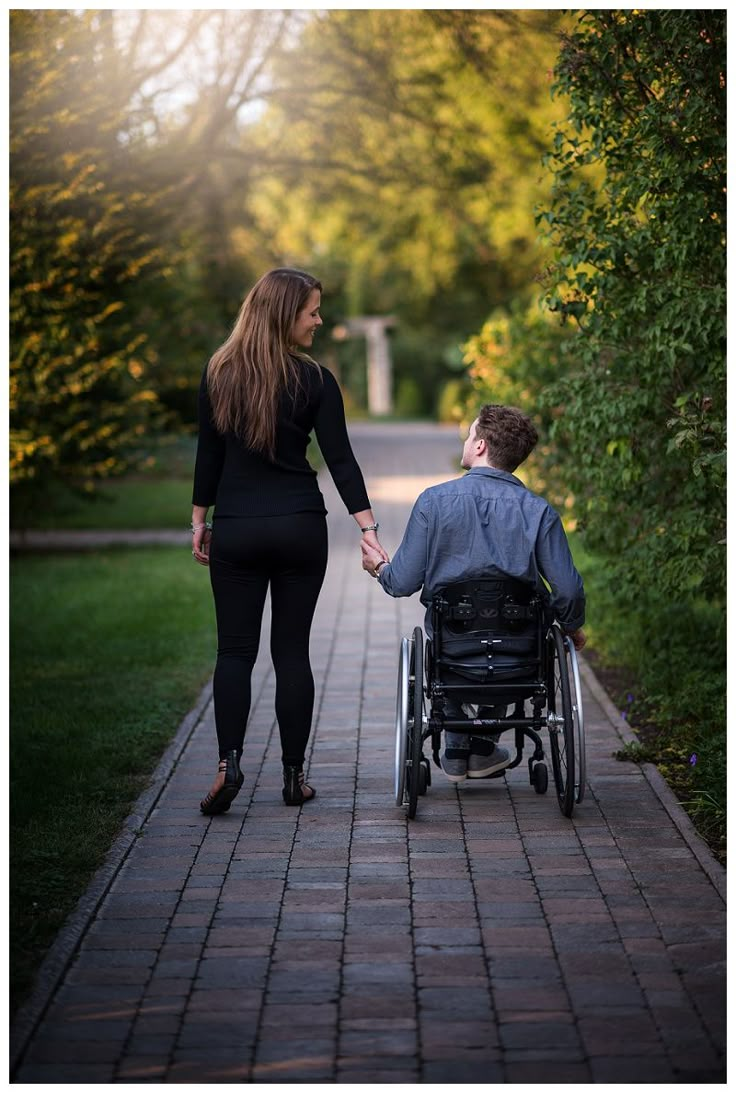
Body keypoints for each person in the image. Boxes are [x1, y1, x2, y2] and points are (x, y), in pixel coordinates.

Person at [191, 268, 387, 813]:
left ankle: (229, 764)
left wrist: (199, 521)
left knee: (234, 651)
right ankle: (294, 776)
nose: (319, 321)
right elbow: (341, 461)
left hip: (237, 529)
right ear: (284, 314)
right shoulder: (316, 380)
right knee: (292, 651)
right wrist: (368, 530)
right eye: (312, 312)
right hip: (300, 525)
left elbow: (208, 456)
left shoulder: (218, 373)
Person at [360, 404, 585, 784]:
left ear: (480, 445)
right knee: (515, 635)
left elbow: (401, 582)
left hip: (455, 646)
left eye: (468, 434)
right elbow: (567, 589)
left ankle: (461, 744)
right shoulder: (539, 511)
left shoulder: (433, 501)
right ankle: (479, 745)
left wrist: (377, 567)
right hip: (518, 650)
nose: (465, 440)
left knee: (454, 636)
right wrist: (572, 625)